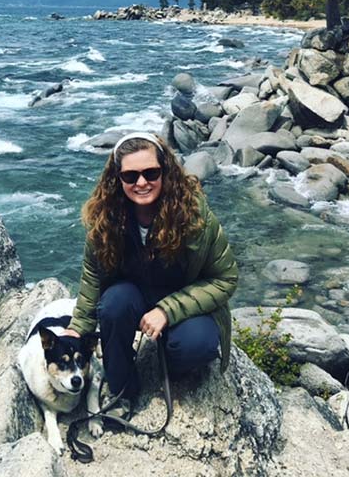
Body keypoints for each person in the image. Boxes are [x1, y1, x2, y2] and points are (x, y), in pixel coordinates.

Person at [63, 131, 238, 416]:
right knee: (113, 304)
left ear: (165, 172)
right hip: (135, 298)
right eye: (130, 176)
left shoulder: (195, 215)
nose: (141, 183)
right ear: (117, 179)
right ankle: (123, 389)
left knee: (197, 344)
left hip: (186, 302)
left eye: (151, 173)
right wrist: (77, 327)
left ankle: (168, 362)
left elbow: (225, 278)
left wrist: (168, 311)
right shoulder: (106, 219)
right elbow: (93, 275)